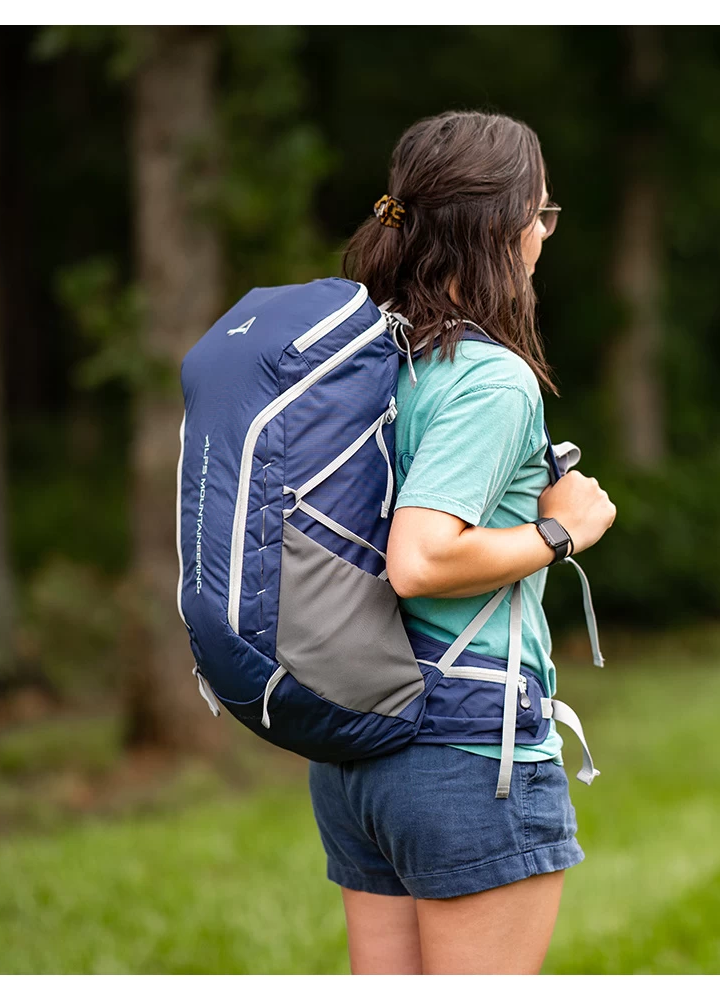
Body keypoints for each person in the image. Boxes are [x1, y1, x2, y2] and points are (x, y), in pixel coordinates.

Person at [307, 110, 617, 975]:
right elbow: (420, 559)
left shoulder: (371, 350)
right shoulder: (487, 377)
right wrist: (562, 530)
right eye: (542, 214)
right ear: (506, 227)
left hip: (359, 750)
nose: (544, 235)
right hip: (464, 752)